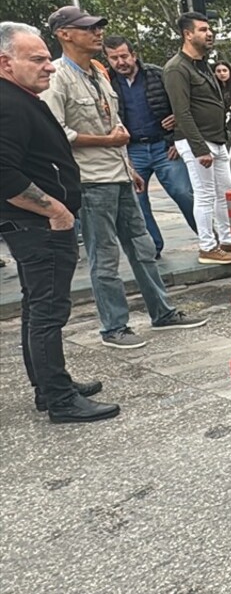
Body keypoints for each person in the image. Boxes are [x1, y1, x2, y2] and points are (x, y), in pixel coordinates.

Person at [43, 6, 207, 350]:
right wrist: (109, 143)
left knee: (143, 247)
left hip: (118, 173)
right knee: (104, 257)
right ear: (64, 34)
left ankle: (161, 312)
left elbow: (111, 123)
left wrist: (127, 166)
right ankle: (114, 327)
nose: (97, 33)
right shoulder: (57, 77)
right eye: (87, 28)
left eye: (98, 26)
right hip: (90, 182)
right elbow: (56, 133)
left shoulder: (99, 74)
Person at [0, 21, 119, 422]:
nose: (49, 66)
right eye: (36, 59)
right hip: (38, 227)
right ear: (5, 62)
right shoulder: (7, 103)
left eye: (46, 58)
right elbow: (4, 174)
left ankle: (50, 386)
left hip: (37, 226)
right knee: (48, 312)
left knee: (38, 308)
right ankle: (59, 400)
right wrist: (55, 210)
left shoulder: (20, 97)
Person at [104, 35, 197, 257]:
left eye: (124, 56)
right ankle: (152, 248)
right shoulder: (106, 83)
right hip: (133, 149)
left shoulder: (157, 74)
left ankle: (208, 239)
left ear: (134, 55)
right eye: (114, 58)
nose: (120, 62)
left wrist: (177, 134)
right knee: (137, 202)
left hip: (164, 147)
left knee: (183, 192)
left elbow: (185, 104)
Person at [163, 12, 231, 265]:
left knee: (227, 192)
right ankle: (207, 246)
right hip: (197, 142)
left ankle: (228, 240)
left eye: (209, 29)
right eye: (203, 29)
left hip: (216, 139)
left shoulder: (202, 64)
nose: (210, 33)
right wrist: (199, 148)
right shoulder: (176, 68)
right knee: (204, 195)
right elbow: (181, 111)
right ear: (187, 34)